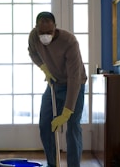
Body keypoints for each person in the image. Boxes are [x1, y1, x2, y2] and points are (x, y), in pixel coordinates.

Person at [28, 11, 87, 167]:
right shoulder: (34, 36)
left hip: (75, 85)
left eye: (49, 32)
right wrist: (44, 68)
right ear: (36, 28)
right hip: (54, 84)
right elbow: (32, 52)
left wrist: (67, 111)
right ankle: (52, 164)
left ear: (55, 28)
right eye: (42, 32)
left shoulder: (69, 42)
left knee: (73, 126)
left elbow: (74, 78)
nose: (46, 36)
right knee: (45, 124)